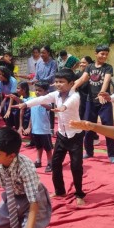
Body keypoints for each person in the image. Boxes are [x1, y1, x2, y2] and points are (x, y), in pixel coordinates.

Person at [15, 69, 86, 205]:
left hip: (75, 136)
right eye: (57, 82)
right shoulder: (55, 95)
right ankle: (60, 190)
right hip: (61, 135)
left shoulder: (75, 96)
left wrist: (62, 108)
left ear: (71, 83)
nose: (58, 84)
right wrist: (25, 104)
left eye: (62, 82)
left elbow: (69, 104)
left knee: (76, 166)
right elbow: (41, 99)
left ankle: (79, 194)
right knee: (55, 163)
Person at [73, 44, 114, 164]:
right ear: (96, 53)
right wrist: (70, 88)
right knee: (88, 126)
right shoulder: (90, 67)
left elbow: (106, 80)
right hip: (90, 101)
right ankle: (88, 151)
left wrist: (102, 93)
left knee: (109, 127)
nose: (104, 56)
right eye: (102, 53)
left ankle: (112, 154)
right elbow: (82, 79)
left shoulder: (108, 67)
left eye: (106, 54)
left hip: (104, 101)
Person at [24, 80, 53, 171]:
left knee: (48, 148)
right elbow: (32, 116)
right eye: (36, 90)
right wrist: (29, 127)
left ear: (46, 92)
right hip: (35, 130)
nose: (37, 92)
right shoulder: (33, 101)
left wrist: (39, 101)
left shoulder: (48, 101)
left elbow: (50, 107)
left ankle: (50, 163)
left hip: (44, 130)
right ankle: (38, 161)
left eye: (40, 90)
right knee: (38, 147)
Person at [32, 45, 57, 135]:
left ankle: (51, 128)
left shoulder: (53, 62)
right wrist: (33, 81)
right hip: (39, 89)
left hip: (49, 89)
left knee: (50, 109)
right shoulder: (39, 63)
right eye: (40, 53)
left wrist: (41, 81)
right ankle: (39, 126)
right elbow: (36, 75)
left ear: (48, 53)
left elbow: (52, 75)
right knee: (39, 107)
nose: (41, 54)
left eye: (43, 52)